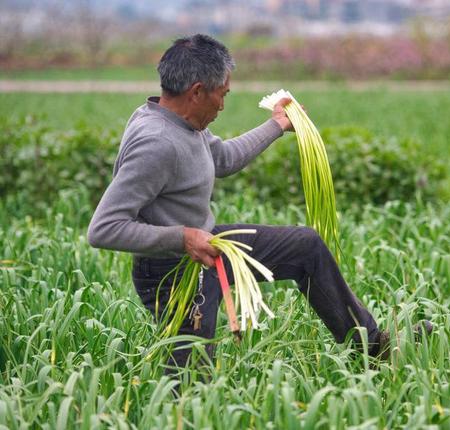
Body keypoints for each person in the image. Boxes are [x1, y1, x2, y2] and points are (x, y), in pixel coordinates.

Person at [87, 34, 430, 375]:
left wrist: (278, 125)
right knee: (190, 381)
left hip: (210, 246)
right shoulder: (157, 142)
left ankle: (372, 347)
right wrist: (183, 238)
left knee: (305, 247)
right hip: (174, 272)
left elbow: (221, 158)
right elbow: (104, 228)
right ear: (196, 91)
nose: (222, 105)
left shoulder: (184, 122)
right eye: (222, 95)